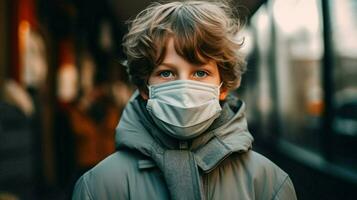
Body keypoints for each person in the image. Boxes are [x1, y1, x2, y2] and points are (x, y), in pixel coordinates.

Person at [72, 1, 297, 199]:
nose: (184, 88)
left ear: (223, 87)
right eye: (166, 73)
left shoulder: (268, 184)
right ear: (144, 88)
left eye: (200, 73)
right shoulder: (99, 187)